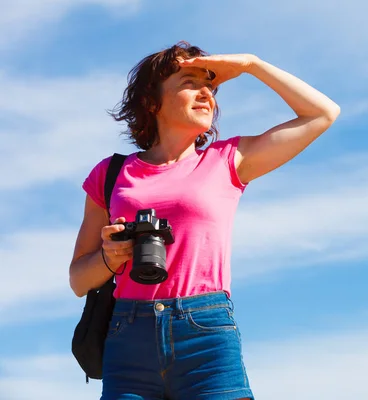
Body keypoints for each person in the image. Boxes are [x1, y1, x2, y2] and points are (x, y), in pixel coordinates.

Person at [68, 41, 340, 400]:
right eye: (189, 83)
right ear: (152, 102)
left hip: (206, 333)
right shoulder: (110, 173)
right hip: (128, 335)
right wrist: (109, 257)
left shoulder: (229, 158)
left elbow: (323, 113)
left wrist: (251, 64)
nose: (206, 95)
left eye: (209, 87)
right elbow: (77, 279)